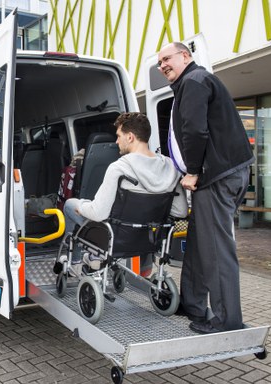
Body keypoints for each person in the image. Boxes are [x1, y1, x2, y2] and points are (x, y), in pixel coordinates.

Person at [157, 42, 254, 334]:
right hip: (226, 173)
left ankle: (227, 320)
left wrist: (193, 171)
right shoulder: (194, 81)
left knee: (215, 249)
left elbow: (195, 130)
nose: (162, 65)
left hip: (215, 177)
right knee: (201, 242)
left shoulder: (195, 81)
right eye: (159, 62)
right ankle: (193, 303)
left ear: (185, 56)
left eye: (167, 59)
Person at [63, 112, 187, 273]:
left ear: (130, 137)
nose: (116, 141)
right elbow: (181, 211)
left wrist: (82, 206)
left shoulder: (119, 168)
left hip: (117, 238)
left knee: (70, 205)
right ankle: (94, 258)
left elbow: (98, 213)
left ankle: (76, 262)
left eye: (118, 136)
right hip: (150, 237)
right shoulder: (170, 167)